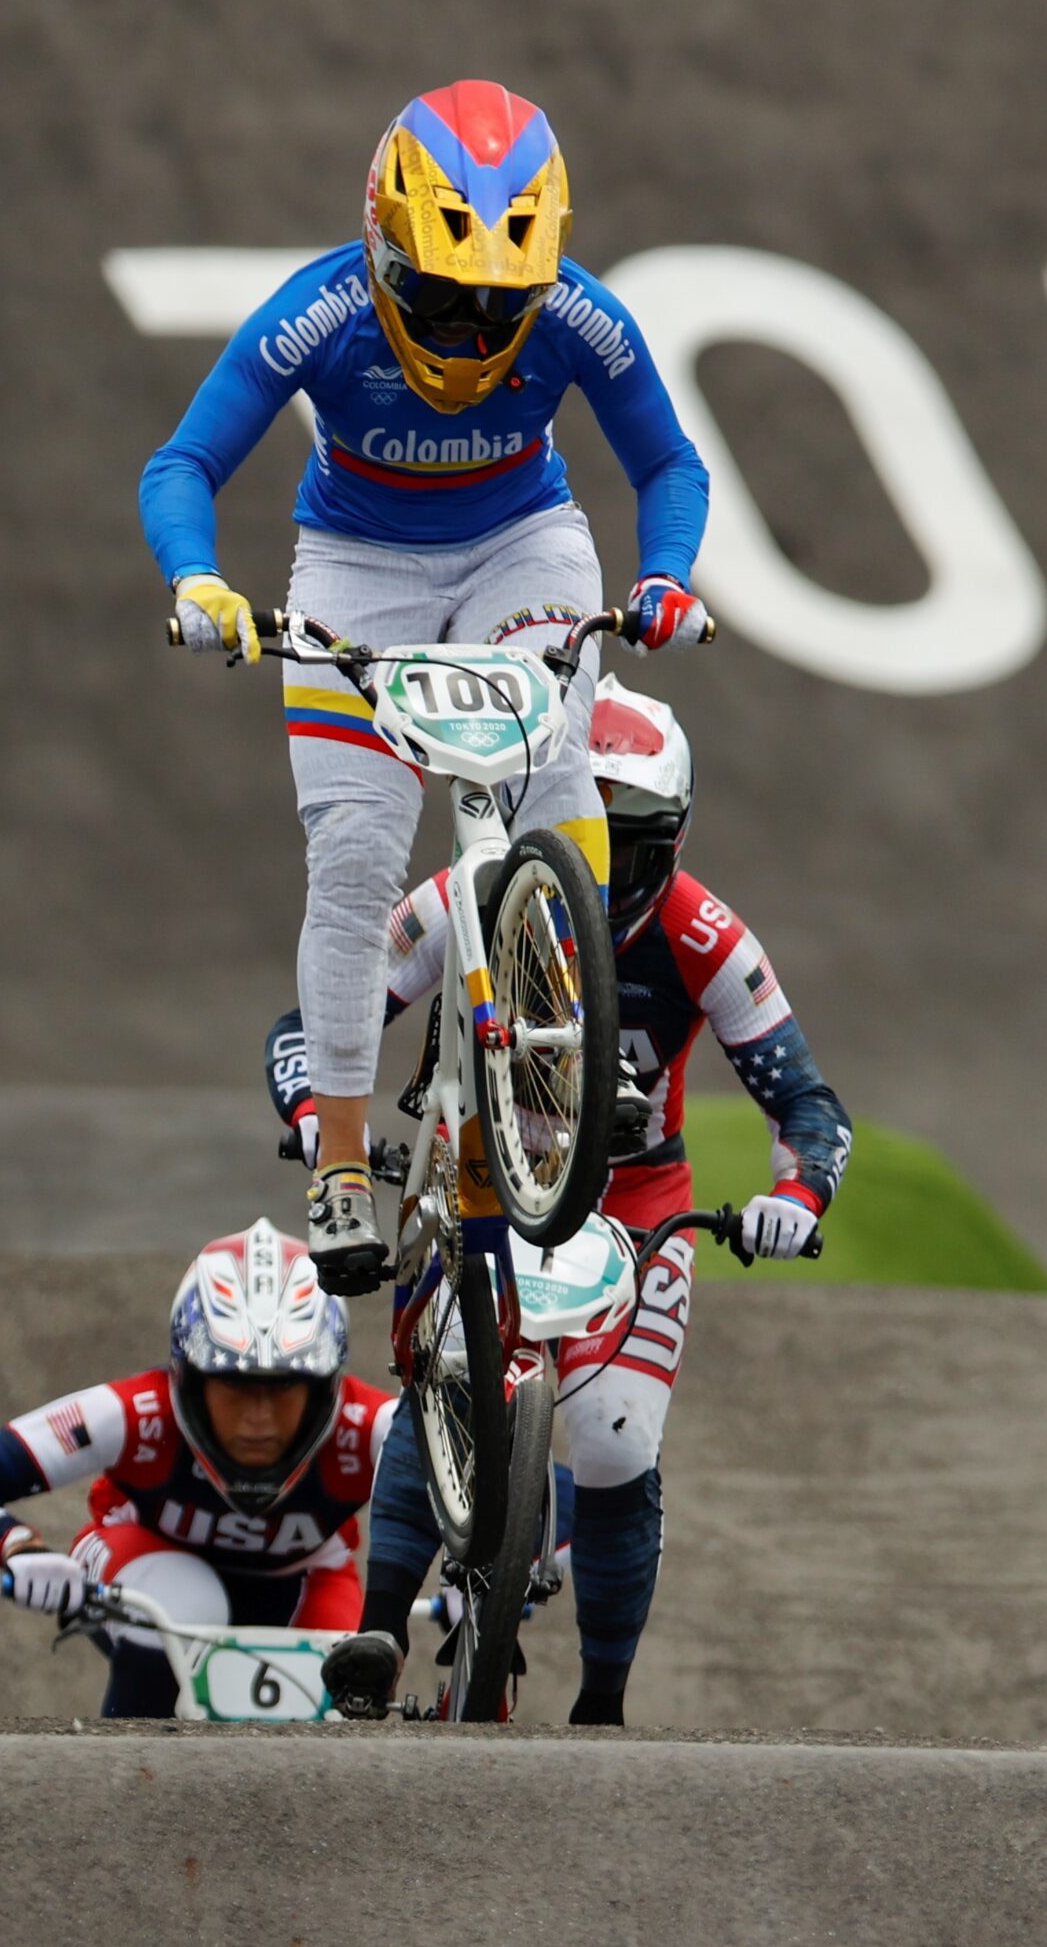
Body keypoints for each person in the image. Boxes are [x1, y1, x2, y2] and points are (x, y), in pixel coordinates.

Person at [138, 79, 715, 1294]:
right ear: (383, 248)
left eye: (496, 306)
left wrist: (663, 577)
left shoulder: (581, 315)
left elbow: (666, 460)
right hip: (354, 571)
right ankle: (341, 1162)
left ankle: (574, 1030)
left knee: (554, 755)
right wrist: (201, 582)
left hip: (525, 545)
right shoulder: (319, 314)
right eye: (441, 297)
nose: (465, 333)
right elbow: (185, 461)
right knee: (355, 858)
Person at [268, 675, 852, 1724]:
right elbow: (314, 1019)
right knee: (441, 1362)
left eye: (634, 845)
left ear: (673, 840)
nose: (605, 868)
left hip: (635, 1201)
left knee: (621, 1440)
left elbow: (806, 1103)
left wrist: (797, 1196)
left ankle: (603, 1705)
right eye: (587, 835)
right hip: (480, 1175)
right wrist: (325, 1124)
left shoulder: (706, 934)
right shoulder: (467, 893)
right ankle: (380, 1626)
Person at [0, 1222, 390, 1719]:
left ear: (326, 1384)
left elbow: (470, 1485)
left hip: (305, 1583)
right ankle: (127, 1784)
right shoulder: (134, 1412)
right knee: (186, 1599)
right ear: (190, 1379)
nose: (258, 1417)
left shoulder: (372, 1424)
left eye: (284, 1387)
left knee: (354, 1682)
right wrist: (15, 1545)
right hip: (143, 1571)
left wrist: (470, 1586)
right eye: (234, 1386)